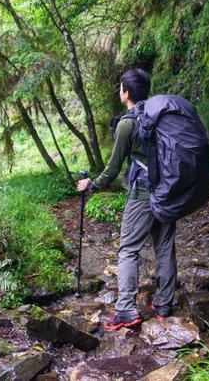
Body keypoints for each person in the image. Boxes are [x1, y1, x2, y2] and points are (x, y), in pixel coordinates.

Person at [76, 67, 177, 331]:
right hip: (167, 191)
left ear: (127, 92)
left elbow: (113, 168)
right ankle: (164, 304)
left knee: (128, 250)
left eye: (121, 87)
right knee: (164, 246)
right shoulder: (160, 116)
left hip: (143, 193)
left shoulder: (127, 123)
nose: (119, 91)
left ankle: (125, 310)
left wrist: (93, 184)